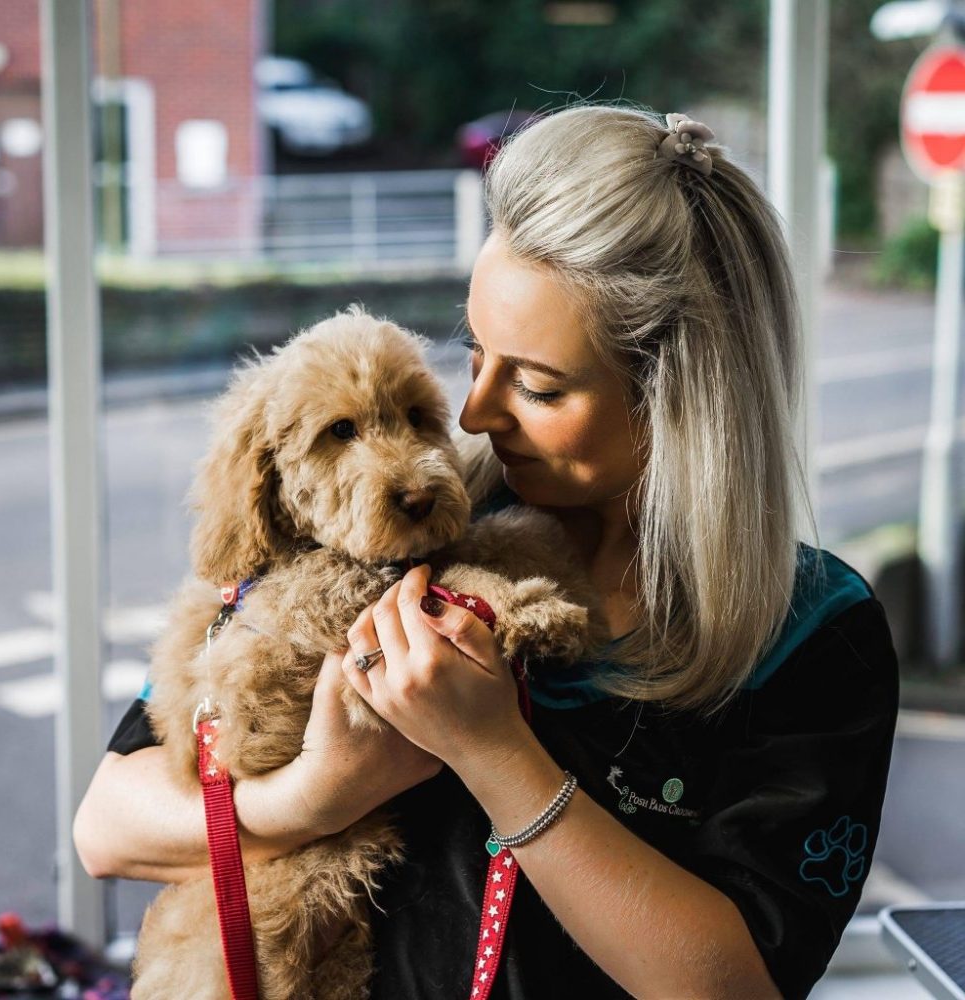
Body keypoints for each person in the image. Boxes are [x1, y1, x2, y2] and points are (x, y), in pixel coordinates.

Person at [74, 104, 900, 999]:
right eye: (474, 353)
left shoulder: (815, 637)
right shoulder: (393, 529)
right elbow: (110, 827)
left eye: (538, 386)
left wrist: (496, 755)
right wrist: (316, 794)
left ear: (681, 400)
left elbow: (733, 987)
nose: (473, 416)